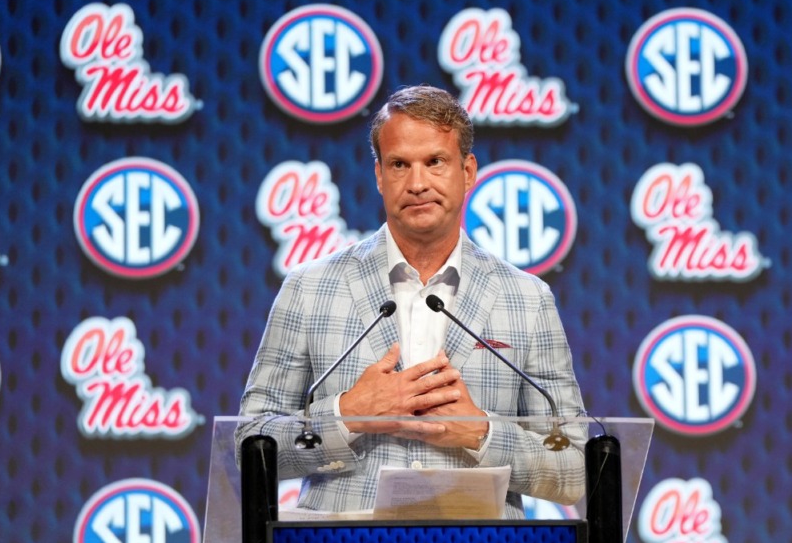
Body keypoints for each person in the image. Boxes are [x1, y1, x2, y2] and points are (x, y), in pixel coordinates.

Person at [237, 85, 586, 517]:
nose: (417, 183)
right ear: (380, 176)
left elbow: (575, 469)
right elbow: (248, 445)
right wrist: (348, 415)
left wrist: (481, 432)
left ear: (469, 170)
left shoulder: (527, 299)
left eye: (435, 162)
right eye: (400, 164)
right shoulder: (308, 289)